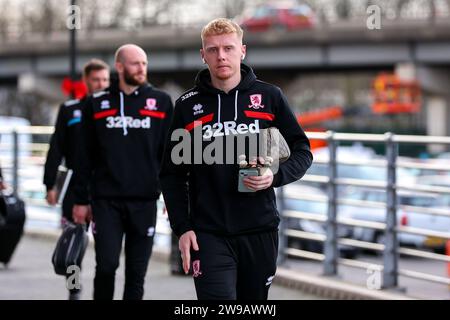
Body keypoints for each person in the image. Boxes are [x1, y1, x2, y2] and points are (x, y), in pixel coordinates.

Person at [160, 18, 313, 300]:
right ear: (203, 55)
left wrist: (274, 176)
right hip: (208, 233)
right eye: (213, 49)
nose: (221, 56)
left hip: (260, 229)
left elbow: (302, 151)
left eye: (228, 48)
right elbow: (171, 174)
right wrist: (182, 228)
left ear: (242, 51)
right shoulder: (186, 105)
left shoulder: (270, 97)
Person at [72, 44, 173, 300]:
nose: (142, 69)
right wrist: (81, 200)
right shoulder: (96, 103)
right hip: (106, 201)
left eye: (144, 63)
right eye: (135, 63)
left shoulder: (161, 102)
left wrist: (173, 196)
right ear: (119, 67)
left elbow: (171, 155)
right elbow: (83, 156)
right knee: (106, 266)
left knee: (136, 273)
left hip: (145, 201)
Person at [43, 58, 110, 300]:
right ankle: (74, 287)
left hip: (105, 188)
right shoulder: (71, 110)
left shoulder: (114, 111)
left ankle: (102, 289)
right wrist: (49, 184)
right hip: (74, 188)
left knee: (106, 247)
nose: (101, 84)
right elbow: (56, 148)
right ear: (86, 81)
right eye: (96, 80)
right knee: (73, 245)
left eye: (105, 80)